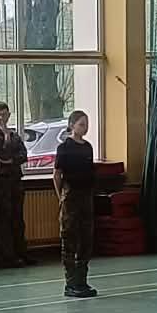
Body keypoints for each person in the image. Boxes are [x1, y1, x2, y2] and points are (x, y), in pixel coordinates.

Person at [52, 110, 97, 298]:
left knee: (86, 239)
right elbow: (57, 175)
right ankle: (70, 283)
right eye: (81, 124)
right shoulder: (64, 148)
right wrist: (61, 197)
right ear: (72, 125)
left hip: (86, 197)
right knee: (69, 238)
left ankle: (82, 280)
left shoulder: (88, 147)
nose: (84, 128)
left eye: (86, 124)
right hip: (70, 196)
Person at [0, 102, 28, 267]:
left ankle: (22, 253)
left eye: (3, 115)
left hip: (15, 181)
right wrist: (5, 139)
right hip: (0, 182)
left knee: (18, 218)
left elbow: (23, 155)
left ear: (9, 115)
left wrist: (11, 160)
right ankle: (8, 256)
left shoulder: (15, 134)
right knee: (4, 220)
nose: (1, 119)